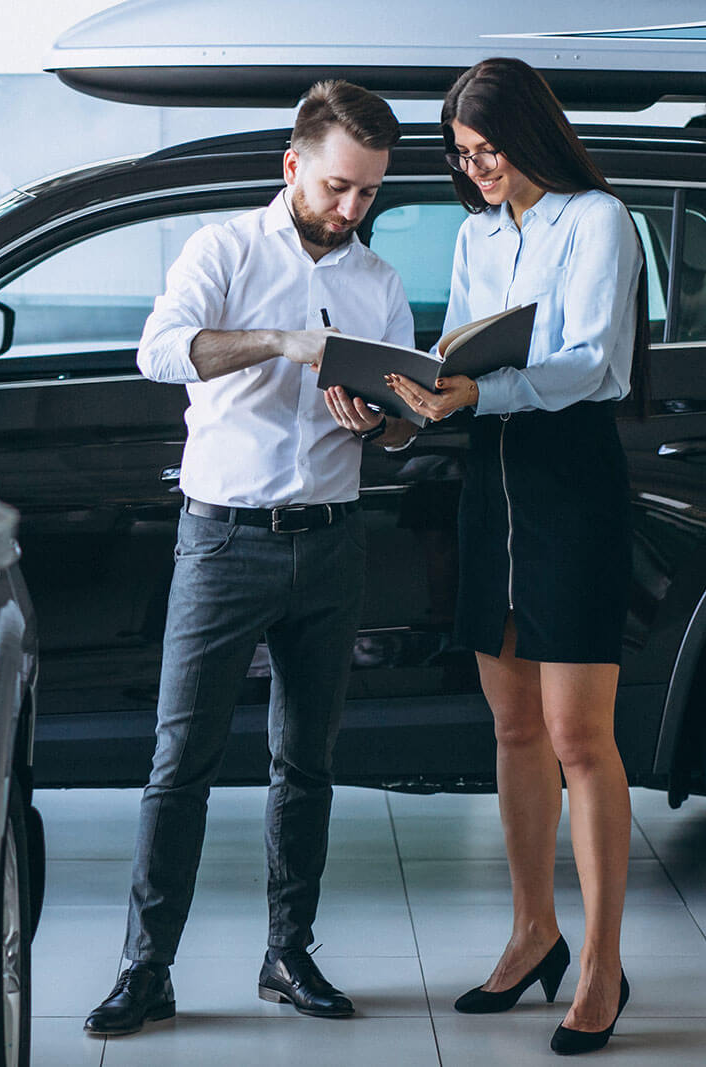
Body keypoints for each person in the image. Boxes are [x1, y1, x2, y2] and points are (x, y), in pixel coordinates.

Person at [83, 80, 416, 1037]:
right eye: (340, 187)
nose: (353, 209)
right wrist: (283, 342)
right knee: (180, 761)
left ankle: (288, 953)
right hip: (223, 540)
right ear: (293, 167)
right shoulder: (223, 249)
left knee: (305, 762)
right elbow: (158, 352)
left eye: (369, 193)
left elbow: (396, 428)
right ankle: (147, 968)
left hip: (333, 540)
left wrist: (385, 421)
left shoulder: (378, 282)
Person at [388, 57, 645, 1056]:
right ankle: (534, 929)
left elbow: (592, 362)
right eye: (461, 154)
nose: (476, 169)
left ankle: (601, 961)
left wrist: (476, 393)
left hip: (568, 476)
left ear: (529, 133)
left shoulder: (597, 218)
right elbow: (461, 345)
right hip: (489, 477)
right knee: (511, 729)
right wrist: (419, 388)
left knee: (578, 735)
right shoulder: (473, 232)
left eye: (487, 150)